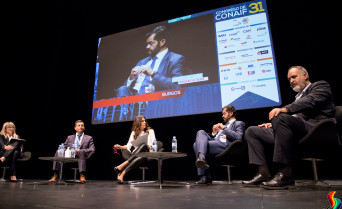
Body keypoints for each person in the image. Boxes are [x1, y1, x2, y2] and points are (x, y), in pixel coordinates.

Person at [242, 66, 335, 190]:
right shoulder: (298, 97)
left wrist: (285, 111)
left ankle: (286, 173)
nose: (291, 81)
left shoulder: (320, 86)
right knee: (252, 131)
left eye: (294, 77)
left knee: (279, 116)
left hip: (316, 129)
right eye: (289, 79)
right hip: (295, 130)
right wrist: (274, 124)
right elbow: (297, 115)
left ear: (305, 75)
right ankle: (263, 173)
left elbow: (310, 101)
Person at [116, 26, 185, 117]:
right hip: (133, 103)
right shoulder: (142, 61)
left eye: (151, 43)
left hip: (154, 102)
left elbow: (177, 86)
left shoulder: (175, 59)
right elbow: (122, 90)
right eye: (147, 44)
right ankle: (123, 116)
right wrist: (131, 78)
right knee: (122, 89)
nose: (147, 47)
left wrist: (153, 74)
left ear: (162, 42)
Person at [193, 105, 246, 185]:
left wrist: (224, 129)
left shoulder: (238, 123)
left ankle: (204, 176)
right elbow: (215, 138)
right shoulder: (224, 126)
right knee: (200, 132)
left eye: (224, 114)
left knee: (196, 145)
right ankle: (201, 158)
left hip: (226, 146)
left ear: (231, 113)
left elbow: (238, 137)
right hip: (216, 143)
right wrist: (214, 133)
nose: (222, 116)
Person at [113, 115, 155, 184]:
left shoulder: (150, 131)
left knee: (144, 145)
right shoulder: (134, 133)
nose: (145, 122)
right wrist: (120, 146)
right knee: (141, 156)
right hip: (137, 153)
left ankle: (122, 167)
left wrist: (149, 146)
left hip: (148, 151)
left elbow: (154, 143)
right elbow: (128, 146)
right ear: (138, 123)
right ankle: (122, 174)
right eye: (142, 121)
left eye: (145, 121)